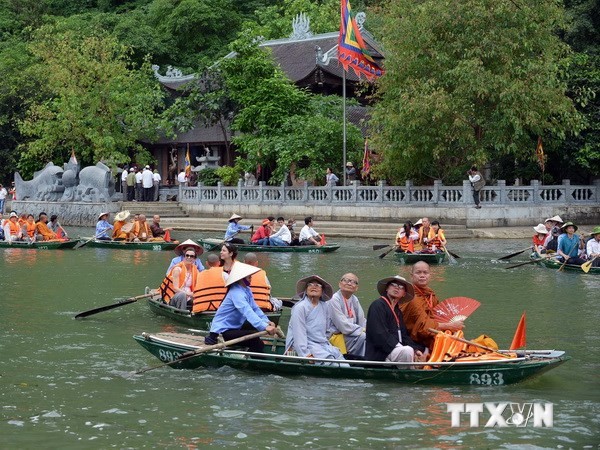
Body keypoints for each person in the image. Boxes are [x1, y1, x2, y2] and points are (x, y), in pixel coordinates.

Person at [204, 262, 277, 351]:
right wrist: (264, 327)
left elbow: (254, 308)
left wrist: (266, 321)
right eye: (249, 277)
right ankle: (253, 362)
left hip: (234, 328)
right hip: (221, 332)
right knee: (254, 339)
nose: (251, 278)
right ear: (242, 278)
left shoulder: (247, 290)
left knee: (255, 335)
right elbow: (247, 311)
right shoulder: (236, 293)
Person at [285, 275, 349, 366]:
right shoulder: (300, 307)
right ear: (306, 290)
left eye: (318, 285)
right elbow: (299, 334)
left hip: (322, 344)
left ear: (322, 291)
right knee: (331, 363)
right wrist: (305, 354)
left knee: (343, 362)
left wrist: (324, 344)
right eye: (310, 284)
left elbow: (327, 331)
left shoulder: (325, 306)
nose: (313, 287)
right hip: (305, 345)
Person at [401, 262, 463, 351]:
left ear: (430, 275)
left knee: (456, 333)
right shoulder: (411, 297)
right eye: (418, 272)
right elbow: (423, 327)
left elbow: (439, 316)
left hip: (431, 332)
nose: (422, 275)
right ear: (412, 276)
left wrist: (452, 326)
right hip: (415, 338)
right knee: (449, 336)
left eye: (425, 273)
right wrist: (449, 325)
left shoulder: (430, 294)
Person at [365, 275, 427, 363]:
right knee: (407, 351)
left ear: (404, 294)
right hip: (381, 353)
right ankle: (410, 373)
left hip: (395, 350)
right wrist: (400, 347)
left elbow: (403, 335)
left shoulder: (397, 311)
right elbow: (379, 334)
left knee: (425, 350)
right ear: (387, 288)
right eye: (394, 285)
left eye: (401, 287)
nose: (397, 288)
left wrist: (416, 349)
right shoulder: (377, 305)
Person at [327, 273, 366, 357]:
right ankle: (353, 359)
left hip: (351, 334)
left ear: (356, 288)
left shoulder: (354, 300)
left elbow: (362, 320)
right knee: (363, 336)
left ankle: (360, 359)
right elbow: (343, 326)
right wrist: (362, 330)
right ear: (340, 284)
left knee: (369, 336)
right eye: (346, 280)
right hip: (336, 335)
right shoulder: (334, 299)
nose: (349, 283)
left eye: (353, 282)